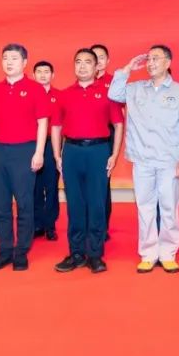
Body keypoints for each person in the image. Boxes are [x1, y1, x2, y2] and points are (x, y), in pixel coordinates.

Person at [109, 46, 179, 273]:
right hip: (142, 159)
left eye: (156, 58)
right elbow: (114, 94)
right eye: (149, 59)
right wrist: (128, 68)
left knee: (168, 207)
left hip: (169, 160)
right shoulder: (135, 89)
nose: (151, 63)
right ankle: (148, 253)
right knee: (145, 207)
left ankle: (168, 253)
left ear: (168, 62)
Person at [52, 48, 124, 273]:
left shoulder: (108, 94)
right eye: (78, 62)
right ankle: (76, 253)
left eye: (87, 62)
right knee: (75, 205)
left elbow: (119, 125)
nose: (82, 66)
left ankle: (95, 254)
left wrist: (114, 154)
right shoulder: (64, 94)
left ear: (96, 67)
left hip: (98, 152)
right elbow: (56, 127)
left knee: (96, 204)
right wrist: (57, 155)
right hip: (72, 152)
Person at [0, 43, 50, 271]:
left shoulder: (35, 89)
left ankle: (21, 251)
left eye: (14, 58)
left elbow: (42, 123)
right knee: (0, 204)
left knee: (24, 204)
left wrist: (39, 152)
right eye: (5, 58)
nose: (9, 62)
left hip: (24, 151)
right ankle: (4, 250)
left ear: (24, 62)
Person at [91, 43, 121, 238]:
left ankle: (102, 226)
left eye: (101, 57)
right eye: (94, 57)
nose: (98, 61)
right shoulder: (83, 81)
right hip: (86, 134)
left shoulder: (114, 82)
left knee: (102, 182)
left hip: (107, 134)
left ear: (107, 60)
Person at [33, 60, 60, 241]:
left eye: (46, 71)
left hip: (52, 145)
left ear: (52, 75)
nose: (43, 75)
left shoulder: (59, 96)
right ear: (33, 75)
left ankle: (50, 225)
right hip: (31, 145)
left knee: (51, 186)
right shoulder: (29, 94)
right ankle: (37, 224)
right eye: (39, 72)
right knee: (33, 187)